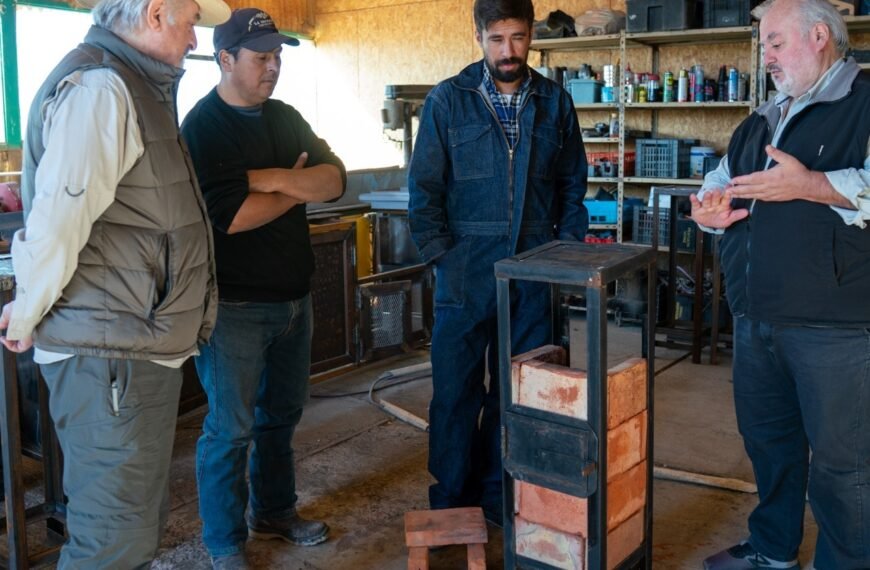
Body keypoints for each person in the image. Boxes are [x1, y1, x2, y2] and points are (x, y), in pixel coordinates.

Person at [0, 0, 228, 566]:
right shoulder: (102, 88)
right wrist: (26, 310)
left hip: (128, 346)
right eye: (191, 20)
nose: (195, 39)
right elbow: (58, 218)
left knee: (130, 529)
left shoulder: (133, 86)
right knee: (112, 542)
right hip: (110, 355)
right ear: (155, 14)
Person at [691, 0, 870, 568]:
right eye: (763, 44)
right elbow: (719, 180)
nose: (764, 55)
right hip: (756, 317)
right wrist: (707, 207)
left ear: (819, 36)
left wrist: (812, 185)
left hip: (837, 326)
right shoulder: (762, 118)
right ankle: (772, 552)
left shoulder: (865, 102)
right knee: (771, 448)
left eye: (774, 42)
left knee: (847, 467)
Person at [407, 0, 588, 526]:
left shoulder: (554, 102)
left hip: (533, 269)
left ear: (531, 34)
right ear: (478, 35)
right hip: (465, 267)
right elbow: (424, 188)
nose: (508, 52)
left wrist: (565, 253)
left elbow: (573, 185)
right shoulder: (449, 100)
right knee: (457, 392)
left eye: (518, 38)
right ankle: (451, 503)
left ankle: (501, 497)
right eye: (496, 40)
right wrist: (442, 255)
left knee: (521, 391)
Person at [180, 8, 346, 569]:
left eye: (277, 56)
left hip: (294, 299)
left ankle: (274, 511)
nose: (272, 67)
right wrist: (296, 186)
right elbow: (232, 217)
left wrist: (274, 179)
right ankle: (225, 544)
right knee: (230, 430)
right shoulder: (202, 128)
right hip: (235, 307)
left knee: (280, 417)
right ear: (224, 60)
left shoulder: (284, 115)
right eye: (260, 57)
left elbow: (334, 179)